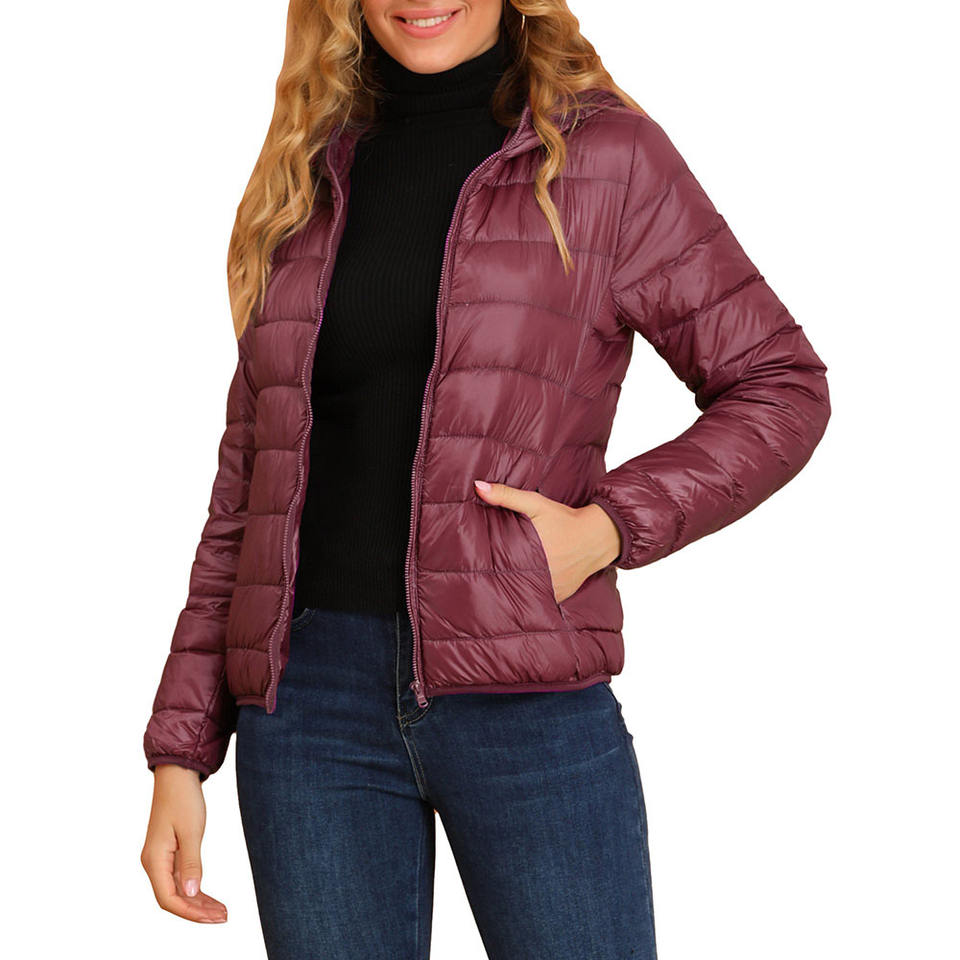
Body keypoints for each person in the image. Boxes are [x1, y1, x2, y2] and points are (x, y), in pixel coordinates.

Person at [140, 2, 831, 958]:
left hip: (528, 701)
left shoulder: (604, 158)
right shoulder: (309, 166)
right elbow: (246, 489)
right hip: (307, 710)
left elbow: (780, 386)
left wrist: (609, 527)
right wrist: (181, 751)